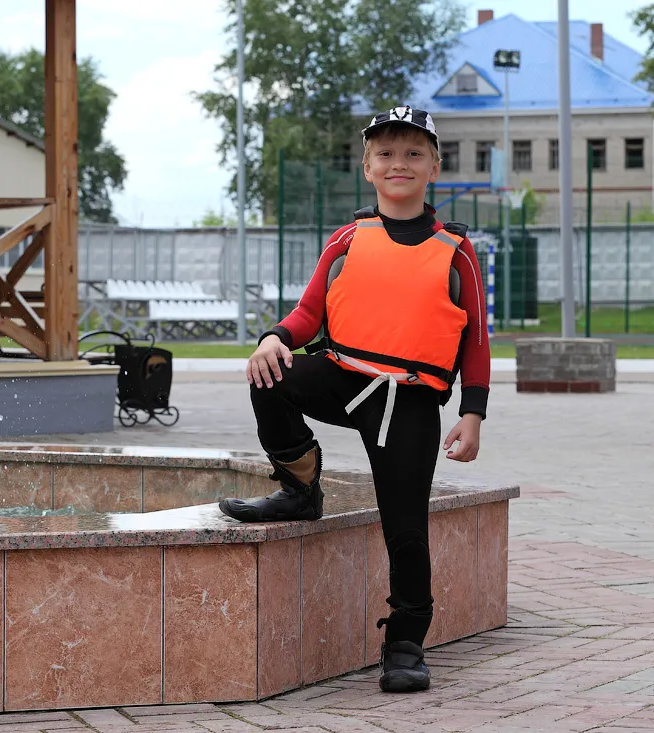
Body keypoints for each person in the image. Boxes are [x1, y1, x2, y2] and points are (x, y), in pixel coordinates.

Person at [218, 107, 491, 693]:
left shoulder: (457, 251)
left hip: (409, 403)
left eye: (414, 154)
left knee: (406, 529)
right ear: (368, 168)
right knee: (271, 374)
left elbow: (476, 339)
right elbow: (309, 311)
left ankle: (405, 642)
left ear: (434, 168)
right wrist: (275, 338)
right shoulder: (348, 239)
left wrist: (473, 414)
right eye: (387, 154)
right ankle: (299, 486)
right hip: (344, 376)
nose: (400, 164)